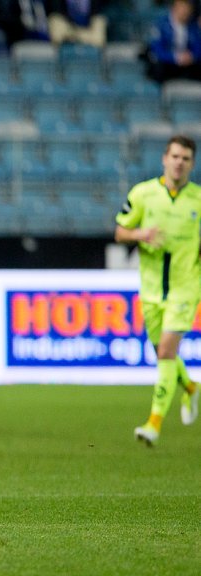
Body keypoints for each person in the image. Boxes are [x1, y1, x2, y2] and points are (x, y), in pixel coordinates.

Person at [116, 135, 201, 447]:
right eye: (175, 156)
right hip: (151, 291)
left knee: (166, 350)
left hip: (186, 287)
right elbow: (119, 231)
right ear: (165, 159)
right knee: (162, 353)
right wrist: (141, 234)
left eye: (186, 158)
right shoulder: (143, 193)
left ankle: (153, 424)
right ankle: (191, 387)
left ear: (192, 164)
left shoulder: (198, 200)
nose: (180, 163)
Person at [148, 0, 201, 83]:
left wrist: (191, 56)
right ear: (174, 8)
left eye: (187, 9)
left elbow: (198, 46)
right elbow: (156, 49)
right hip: (168, 63)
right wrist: (175, 57)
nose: (185, 12)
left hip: (187, 63)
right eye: (182, 8)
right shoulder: (161, 24)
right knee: (158, 67)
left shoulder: (193, 26)